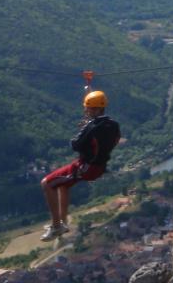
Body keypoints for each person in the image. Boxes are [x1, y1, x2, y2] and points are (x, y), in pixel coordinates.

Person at [40, 90, 121, 241]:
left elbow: (75, 145)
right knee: (63, 185)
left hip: (86, 167)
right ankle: (62, 222)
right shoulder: (114, 125)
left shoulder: (91, 127)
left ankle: (56, 226)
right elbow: (115, 141)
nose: (86, 110)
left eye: (88, 108)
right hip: (100, 166)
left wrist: (85, 128)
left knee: (47, 183)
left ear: (96, 109)